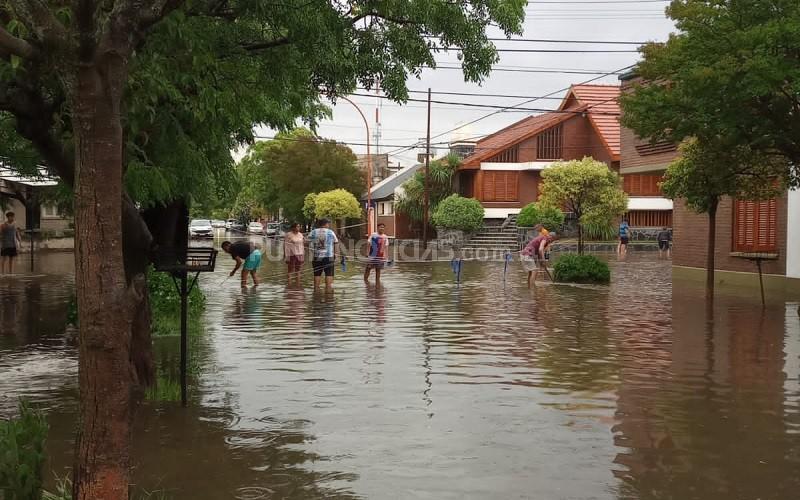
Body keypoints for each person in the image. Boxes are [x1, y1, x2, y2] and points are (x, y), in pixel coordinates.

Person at [308, 218, 339, 290]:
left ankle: (316, 290)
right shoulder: (330, 232)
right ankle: (328, 291)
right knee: (329, 274)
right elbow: (336, 243)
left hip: (317, 257)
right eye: (328, 224)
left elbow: (307, 241)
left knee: (317, 274)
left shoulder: (313, 232)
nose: (329, 225)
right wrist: (336, 254)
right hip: (329, 257)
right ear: (325, 224)